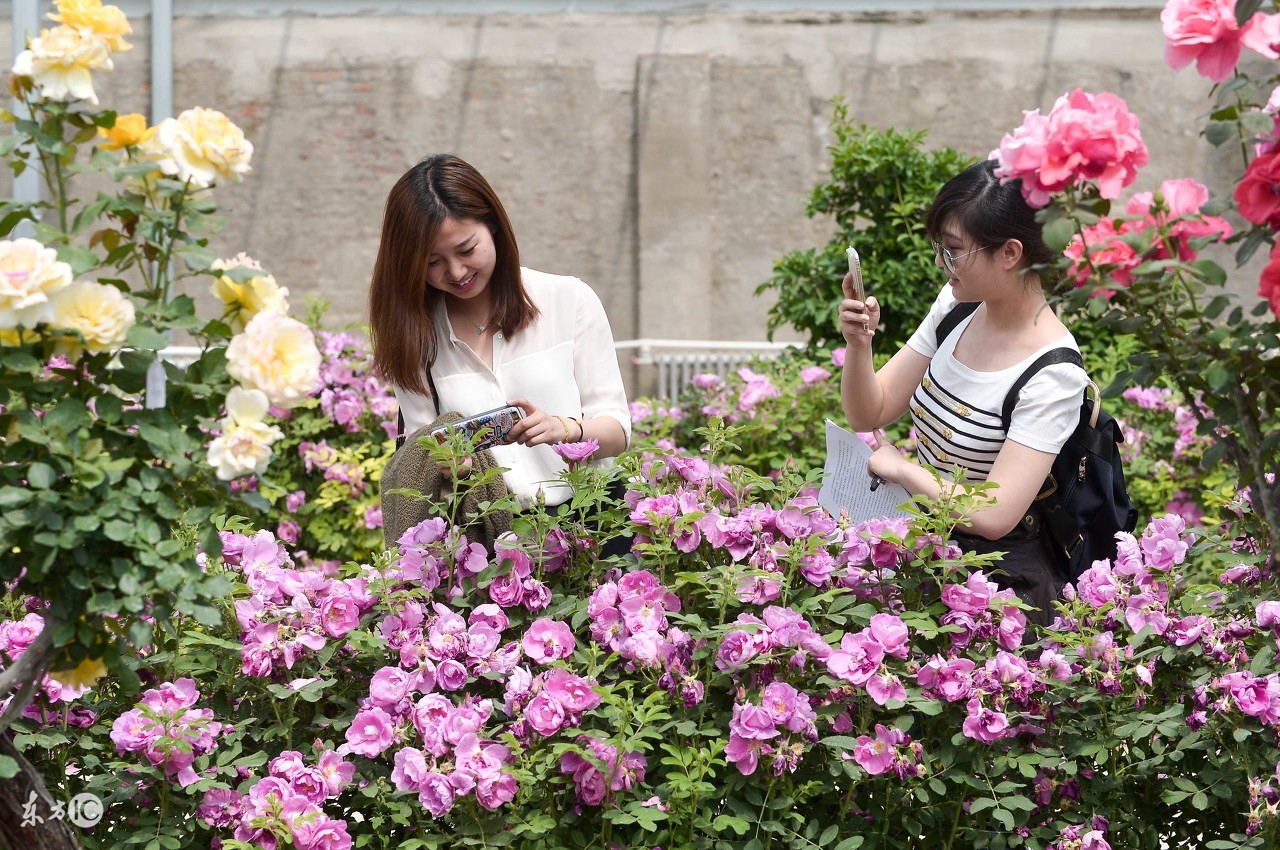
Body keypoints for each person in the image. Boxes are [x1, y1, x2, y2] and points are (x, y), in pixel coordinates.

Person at [837, 159, 1087, 623]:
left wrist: (905, 471)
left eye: (952, 250)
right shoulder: (956, 308)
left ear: (1009, 253)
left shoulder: (1054, 374)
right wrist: (859, 344)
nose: (940, 263)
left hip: (989, 593)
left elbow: (996, 514)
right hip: (922, 556)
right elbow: (870, 412)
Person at [368, 154, 630, 513]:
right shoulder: (415, 336)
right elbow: (422, 460)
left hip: (592, 526)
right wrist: (450, 468)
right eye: (432, 262)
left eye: (467, 249)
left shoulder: (568, 299)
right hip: (491, 547)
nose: (457, 272)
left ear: (493, 226)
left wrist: (562, 429)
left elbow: (618, 431)